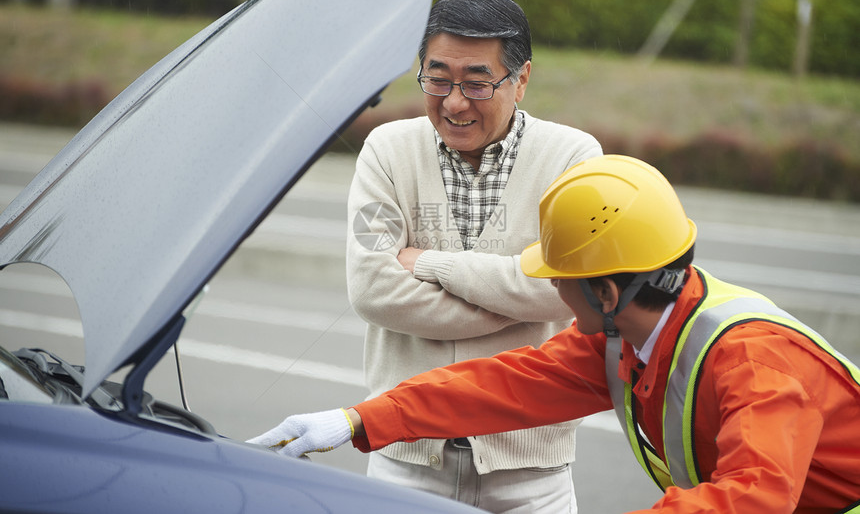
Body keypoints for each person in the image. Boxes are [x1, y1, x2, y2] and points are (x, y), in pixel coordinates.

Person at [249, 155, 860, 513]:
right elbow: (502, 385)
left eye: (563, 279)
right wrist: (359, 419)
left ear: (608, 293)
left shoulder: (756, 363)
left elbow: (751, 501)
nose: (555, 292)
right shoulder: (628, 338)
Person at [254, 0, 601, 513]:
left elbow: (567, 292)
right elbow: (373, 290)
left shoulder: (572, 158)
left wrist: (432, 264)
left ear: (521, 79)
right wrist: (513, 295)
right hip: (404, 461)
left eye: (477, 83)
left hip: (532, 470)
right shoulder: (387, 151)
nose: (455, 102)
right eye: (438, 80)